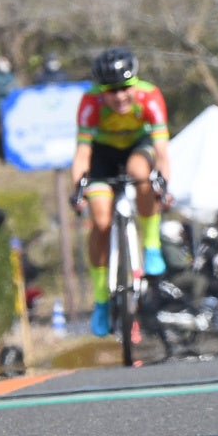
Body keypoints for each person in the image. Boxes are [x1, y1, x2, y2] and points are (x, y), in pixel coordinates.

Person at [68, 46, 174, 336]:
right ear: (101, 90)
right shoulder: (90, 103)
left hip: (138, 147)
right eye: (111, 90)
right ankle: (101, 300)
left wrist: (163, 184)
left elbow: (162, 152)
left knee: (141, 172)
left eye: (126, 87)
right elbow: (82, 154)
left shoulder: (150, 97)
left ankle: (151, 246)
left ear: (135, 82)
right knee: (101, 221)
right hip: (102, 156)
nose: (119, 96)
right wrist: (78, 190)